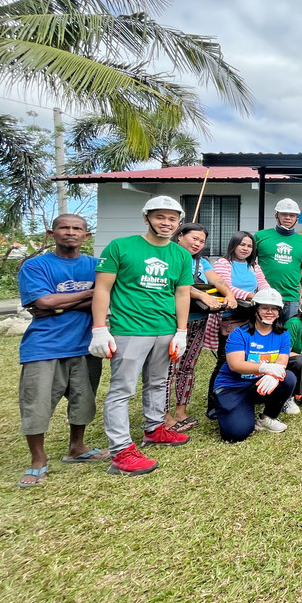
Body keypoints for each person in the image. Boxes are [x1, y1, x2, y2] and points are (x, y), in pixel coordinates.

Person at [90, 196, 194, 476]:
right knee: (122, 390)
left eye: (172, 218)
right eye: (160, 217)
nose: (166, 223)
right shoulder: (120, 247)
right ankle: (121, 450)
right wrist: (99, 328)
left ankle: (154, 429)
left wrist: (181, 331)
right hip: (129, 329)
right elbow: (102, 289)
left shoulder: (181, 255)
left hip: (165, 329)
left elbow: (181, 294)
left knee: (159, 383)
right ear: (146, 218)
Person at [16, 214, 107, 488]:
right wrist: (91, 294)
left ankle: (76, 448)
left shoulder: (96, 265)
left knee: (84, 400)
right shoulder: (36, 266)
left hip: (85, 345)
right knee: (37, 404)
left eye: (77, 228)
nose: (70, 232)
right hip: (44, 347)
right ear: (51, 233)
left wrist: (56, 306)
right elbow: (42, 300)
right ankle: (38, 460)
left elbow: (51, 304)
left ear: (86, 236)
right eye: (64, 227)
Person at [165, 223, 236, 433]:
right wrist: (203, 295)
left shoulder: (202, 262)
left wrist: (229, 294)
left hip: (199, 319)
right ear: (180, 236)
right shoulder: (169, 256)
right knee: (170, 368)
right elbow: (176, 284)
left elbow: (217, 279)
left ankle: (181, 410)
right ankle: (164, 414)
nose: (198, 244)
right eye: (194, 238)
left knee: (188, 367)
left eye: (202, 241)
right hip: (173, 320)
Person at [212, 288, 296, 441]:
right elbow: (235, 365)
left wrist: (274, 374)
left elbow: (282, 361)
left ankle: (267, 418)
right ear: (255, 309)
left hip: (258, 383)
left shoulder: (283, 335)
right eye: (264, 308)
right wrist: (264, 368)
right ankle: (237, 408)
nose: (269, 312)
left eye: (274, 309)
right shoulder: (239, 334)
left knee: (288, 378)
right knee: (236, 434)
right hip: (233, 386)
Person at [206, 231, 271, 420]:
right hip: (229, 317)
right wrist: (252, 296)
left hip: (250, 316)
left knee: (248, 359)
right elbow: (225, 287)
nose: (245, 248)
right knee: (224, 361)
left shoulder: (253, 266)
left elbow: (263, 283)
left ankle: (244, 396)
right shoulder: (223, 264)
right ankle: (213, 403)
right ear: (233, 245)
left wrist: (268, 296)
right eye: (242, 244)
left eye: (249, 246)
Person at [254, 198, 302, 322]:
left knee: (289, 334)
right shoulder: (260, 236)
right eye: (284, 214)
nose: (288, 218)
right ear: (277, 216)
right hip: (265, 296)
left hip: (292, 297)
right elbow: (249, 264)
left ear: (297, 219)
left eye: (292, 215)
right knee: (265, 332)